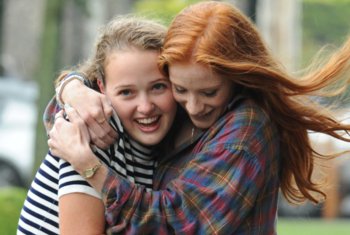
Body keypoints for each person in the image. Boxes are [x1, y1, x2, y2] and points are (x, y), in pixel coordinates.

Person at [48, 1, 350, 234]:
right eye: (179, 89)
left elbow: (180, 224)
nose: (193, 106)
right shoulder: (171, 109)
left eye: (209, 92)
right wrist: (72, 89)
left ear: (236, 77)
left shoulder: (243, 133)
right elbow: (75, 110)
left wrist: (91, 168)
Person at [17, 16, 179, 235]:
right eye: (126, 92)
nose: (145, 107)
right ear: (101, 87)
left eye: (158, 87)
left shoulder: (171, 139)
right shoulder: (94, 130)